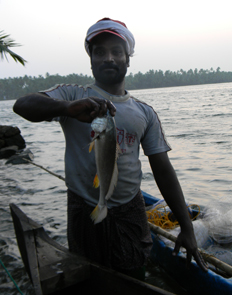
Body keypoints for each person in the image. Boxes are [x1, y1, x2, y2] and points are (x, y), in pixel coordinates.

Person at [13, 17, 207, 279]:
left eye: (117, 52)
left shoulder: (145, 113)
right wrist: (66, 108)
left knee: (134, 274)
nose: (109, 58)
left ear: (128, 59)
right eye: (100, 52)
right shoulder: (72, 94)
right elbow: (23, 105)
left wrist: (187, 227)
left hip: (131, 209)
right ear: (91, 59)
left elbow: (163, 169)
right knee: (87, 275)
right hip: (84, 205)